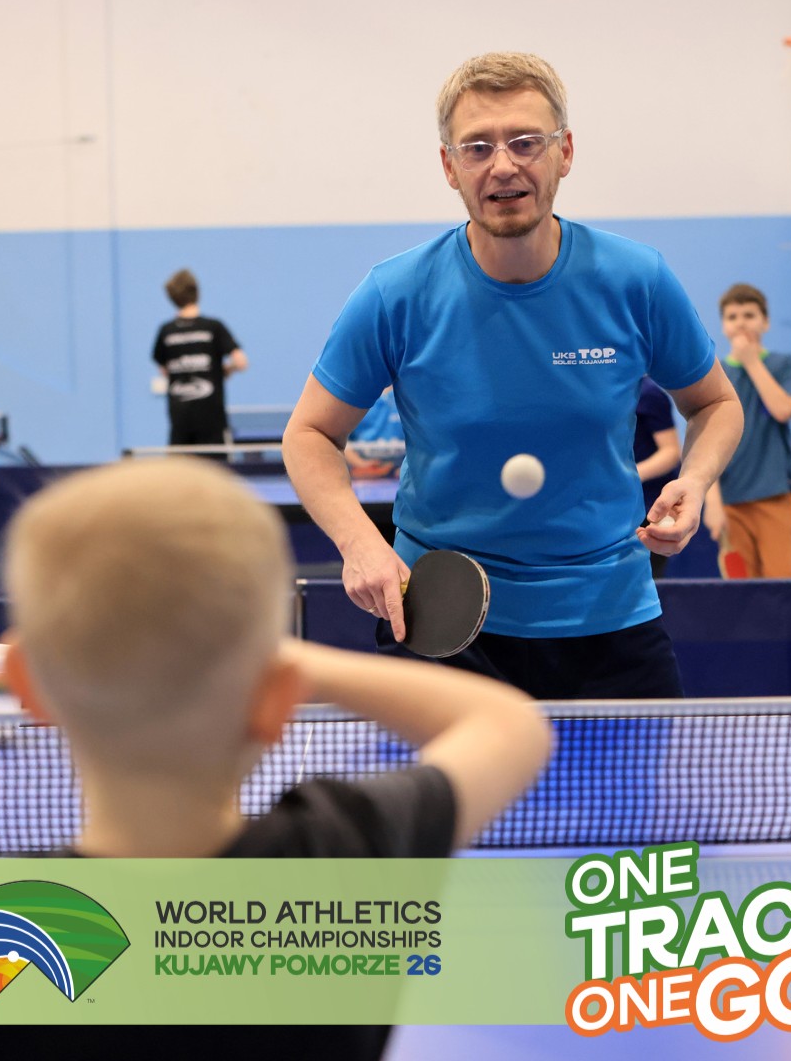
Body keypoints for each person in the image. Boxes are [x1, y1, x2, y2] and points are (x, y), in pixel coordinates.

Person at [0, 456, 550, 1059]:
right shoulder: (339, 865)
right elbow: (506, 723)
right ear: (277, 695)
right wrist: (270, 662)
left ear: (26, 686)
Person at [283, 52, 743, 700]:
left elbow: (716, 403)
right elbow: (309, 434)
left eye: (526, 142)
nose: (503, 165)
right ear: (450, 167)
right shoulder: (396, 293)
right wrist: (360, 543)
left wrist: (693, 482)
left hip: (608, 616)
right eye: (477, 147)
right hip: (440, 618)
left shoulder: (636, 280)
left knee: (635, 776)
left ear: (564, 152)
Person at [703, 283, 791, 578]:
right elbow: (706, 442)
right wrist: (712, 502)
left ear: (766, 322)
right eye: (732, 317)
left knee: (784, 585)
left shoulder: (784, 365)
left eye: (749, 315)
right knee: (741, 591)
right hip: (731, 501)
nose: (741, 323)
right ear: (724, 326)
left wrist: (750, 361)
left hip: (775, 495)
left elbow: (783, 410)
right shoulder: (715, 373)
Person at [152, 268, 248, 448]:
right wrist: (226, 370)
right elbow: (241, 362)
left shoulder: (166, 331)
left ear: (172, 298)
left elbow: (163, 369)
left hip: (180, 418)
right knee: (213, 465)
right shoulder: (213, 327)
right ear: (197, 292)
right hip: (211, 419)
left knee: (180, 466)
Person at [634, 377, 683, 579]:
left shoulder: (648, 393)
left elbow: (671, 452)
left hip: (650, 511)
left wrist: (629, 477)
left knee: (646, 582)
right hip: (611, 508)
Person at [344, 386, 406, 479]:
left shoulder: (410, 395)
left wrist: (406, 469)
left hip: (402, 471)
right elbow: (336, 437)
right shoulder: (352, 395)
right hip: (362, 473)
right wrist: (360, 464)